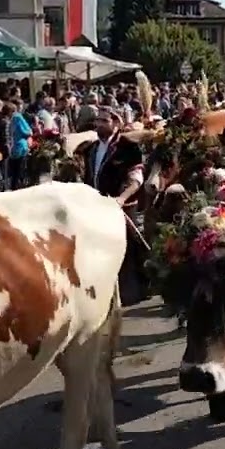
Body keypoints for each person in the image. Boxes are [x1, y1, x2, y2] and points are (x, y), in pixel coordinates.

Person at [80, 106, 148, 306]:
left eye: (104, 121)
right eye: (98, 120)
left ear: (116, 123)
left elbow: (136, 178)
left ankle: (133, 292)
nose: (99, 124)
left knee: (128, 247)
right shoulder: (91, 149)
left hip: (122, 206)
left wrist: (122, 198)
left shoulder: (128, 147)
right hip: (98, 206)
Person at [5, 98, 32, 189]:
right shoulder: (17, 117)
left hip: (12, 148)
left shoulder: (8, 120)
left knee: (14, 173)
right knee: (20, 172)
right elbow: (26, 131)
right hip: (21, 146)